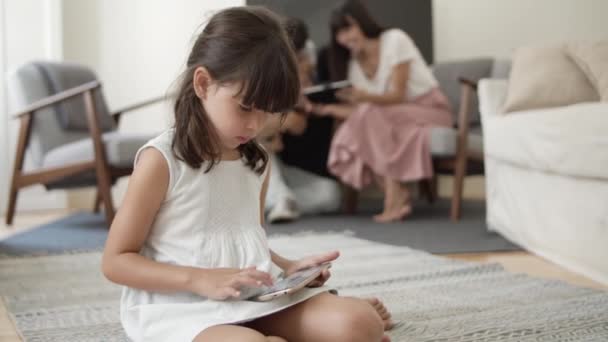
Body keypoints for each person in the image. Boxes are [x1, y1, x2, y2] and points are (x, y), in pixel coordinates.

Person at [101, 6, 391, 342]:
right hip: (181, 306)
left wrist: (288, 268)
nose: (255, 124)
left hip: (250, 299)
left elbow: (245, 238)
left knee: (360, 322)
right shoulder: (161, 161)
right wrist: (200, 279)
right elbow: (116, 261)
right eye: (244, 107)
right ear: (203, 83)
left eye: (267, 111)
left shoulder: (257, 162)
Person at [314, 0, 453, 223]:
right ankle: (395, 192)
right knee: (359, 124)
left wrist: (364, 97)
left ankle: (393, 194)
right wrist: (327, 108)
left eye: (348, 28)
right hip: (390, 117)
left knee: (367, 117)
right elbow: (362, 111)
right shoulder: (353, 65)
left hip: (429, 109)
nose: (345, 38)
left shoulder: (395, 40)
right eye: (339, 33)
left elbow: (397, 95)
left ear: (362, 23)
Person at [260, 17, 342, 223]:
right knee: (258, 145)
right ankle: (278, 199)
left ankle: (277, 201)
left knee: (331, 195)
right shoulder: (260, 62)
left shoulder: (307, 59)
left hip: (286, 160)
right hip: (262, 153)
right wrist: (282, 120)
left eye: (297, 55)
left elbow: (298, 126)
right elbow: (255, 126)